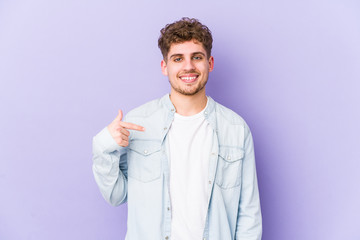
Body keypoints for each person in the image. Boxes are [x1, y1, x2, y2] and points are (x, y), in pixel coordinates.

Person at [92, 17, 262, 240]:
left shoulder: (236, 129)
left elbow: (248, 214)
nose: (188, 66)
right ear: (165, 66)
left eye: (197, 57)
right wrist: (104, 145)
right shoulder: (139, 122)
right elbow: (116, 195)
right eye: (178, 58)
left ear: (209, 63)